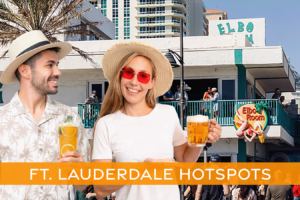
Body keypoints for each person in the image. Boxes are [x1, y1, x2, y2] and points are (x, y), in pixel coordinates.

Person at [92, 41, 222, 200]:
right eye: (128, 72)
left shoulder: (168, 113)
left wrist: (202, 138)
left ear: (152, 82)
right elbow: (100, 188)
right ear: (120, 76)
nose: (134, 81)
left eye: (143, 76)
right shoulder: (106, 125)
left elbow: (185, 161)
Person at [0, 30, 90, 199]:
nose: (57, 72)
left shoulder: (70, 118)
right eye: (49, 65)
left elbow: (82, 185)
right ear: (25, 71)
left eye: (57, 65)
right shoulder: (2, 121)